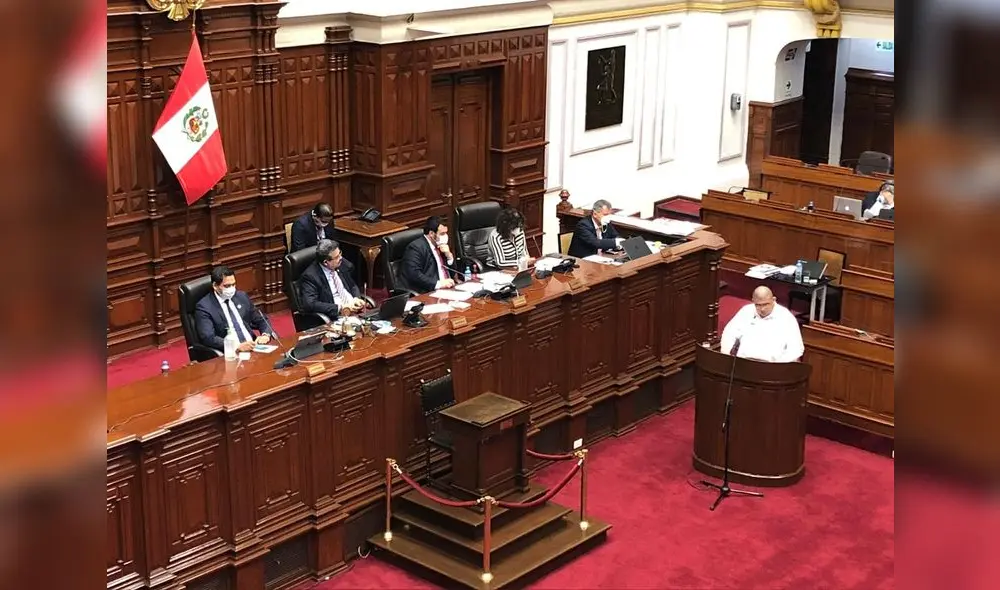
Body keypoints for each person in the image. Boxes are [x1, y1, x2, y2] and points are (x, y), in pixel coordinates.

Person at [195, 266, 273, 354]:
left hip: (254, 348)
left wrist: (265, 335)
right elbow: (208, 337)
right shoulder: (204, 307)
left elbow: (261, 319)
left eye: (233, 284)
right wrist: (236, 346)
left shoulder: (241, 297)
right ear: (215, 286)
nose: (232, 289)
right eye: (227, 286)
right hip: (231, 354)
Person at [720, 286, 803, 363]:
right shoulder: (746, 311)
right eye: (758, 305)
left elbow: (796, 348)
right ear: (753, 301)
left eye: (766, 304)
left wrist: (779, 367)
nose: (762, 309)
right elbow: (729, 334)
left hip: (772, 367)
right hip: (743, 363)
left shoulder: (786, 317)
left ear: (773, 300)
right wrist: (727, 357)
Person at [299, 239, 371, 318]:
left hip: (355, 309)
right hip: (337, 315)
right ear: (326, 262)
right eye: (336, 257)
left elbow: (352, 285)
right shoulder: (310, 276)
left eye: (340, 253)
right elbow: (310, 304)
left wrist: (356, 298)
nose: (341, 258)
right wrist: (340, 308)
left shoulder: (341, 263)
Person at [401, 216, 456, 293]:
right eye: (442, 233)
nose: (445, 236)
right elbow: (414, 274)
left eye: (446, 233)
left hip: (449, 288)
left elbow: (453, 273)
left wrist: (449, 256)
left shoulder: (441, 244)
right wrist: (438, 284)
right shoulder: (416, 248)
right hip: (430, 291)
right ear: (431, 233)